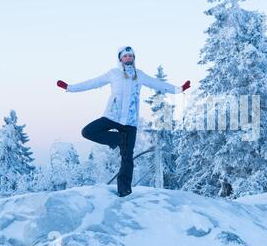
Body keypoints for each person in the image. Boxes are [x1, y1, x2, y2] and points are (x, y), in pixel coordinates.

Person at [56, 46, 191, 197]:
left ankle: (124, 189)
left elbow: (157, 84)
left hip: (130, 122)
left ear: (133, 58)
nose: (128, 58)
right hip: (112, 116)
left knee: (127, 157)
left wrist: (179, 89)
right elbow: (92, 83)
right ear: (120, 59)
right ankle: (119, 139)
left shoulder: (139, 75)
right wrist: (70, 87)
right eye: (125, 56)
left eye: (131, 56)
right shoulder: (113, 74)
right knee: (87, 131)